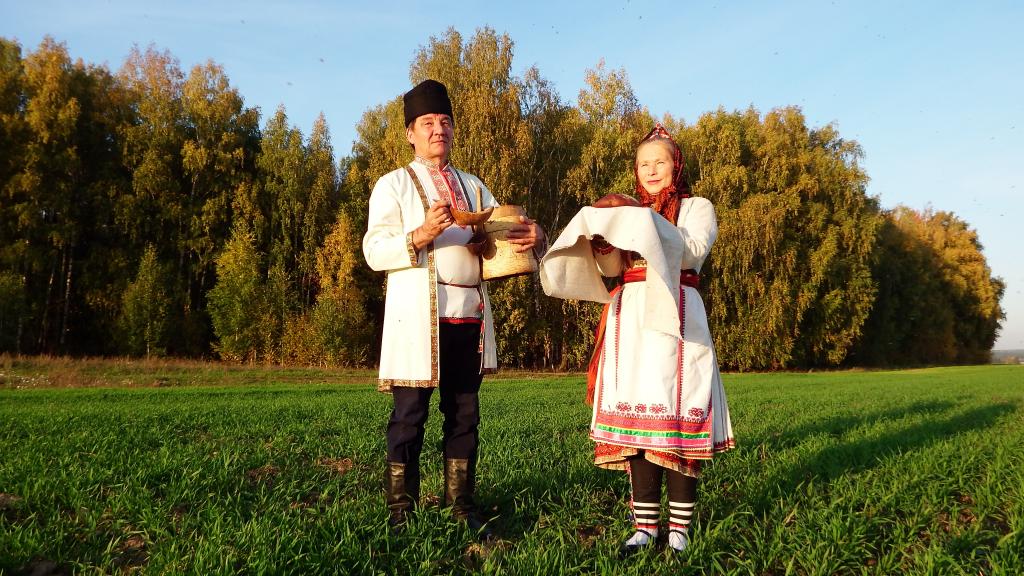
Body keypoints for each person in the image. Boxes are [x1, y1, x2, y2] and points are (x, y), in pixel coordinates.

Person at [539, 124, 735, 554]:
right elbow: (612, 270)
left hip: (679, 314)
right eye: (643, 164)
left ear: (675, 165)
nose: (651, 170)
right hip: (631, 318)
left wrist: (638, 222)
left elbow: (692, 250)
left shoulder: (696, 207)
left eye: (659, 162)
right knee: (638, 423)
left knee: (678, 419)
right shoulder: (626, 210)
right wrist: (604, 241)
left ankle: (679, 530)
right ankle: (644, 526)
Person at [362, 79, 544, 538]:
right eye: (428, 123)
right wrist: (421, 234)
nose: (438, 130)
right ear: (410, 132)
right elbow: (373, 250)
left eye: (444, 122)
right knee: (410, 413)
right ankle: (400, 509)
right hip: (418, 319)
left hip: (468, 313)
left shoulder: (475, 187)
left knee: (465, 412)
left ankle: (461, 502)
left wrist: (515, 240)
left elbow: (501, 252)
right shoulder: (394, 185)